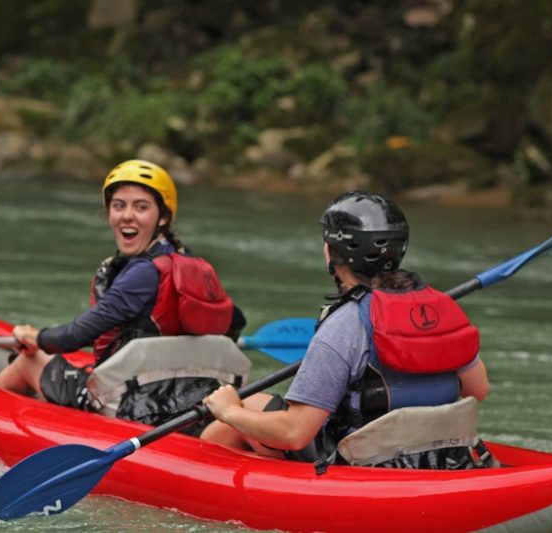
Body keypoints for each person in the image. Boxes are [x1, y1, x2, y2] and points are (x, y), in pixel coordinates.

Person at [201, 191, 490, 469]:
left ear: (332, 252)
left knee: (231, 421)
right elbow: (478, 389)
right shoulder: (441, 307)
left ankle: (197, 478)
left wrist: (229, 412)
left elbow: (295, 433)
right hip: (441, 455)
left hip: (365, 462)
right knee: (251, 400)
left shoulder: (345, 324)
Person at [0, 159, 245, 413]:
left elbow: (74, 337)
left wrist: (36, 337)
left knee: (30, 361)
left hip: (130, 404)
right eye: (118, 206)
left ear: (163, 216)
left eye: (141, 207)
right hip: (180, 397)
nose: (127, 215)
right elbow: (235, 322)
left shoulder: (143, 274)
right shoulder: (192, 264)